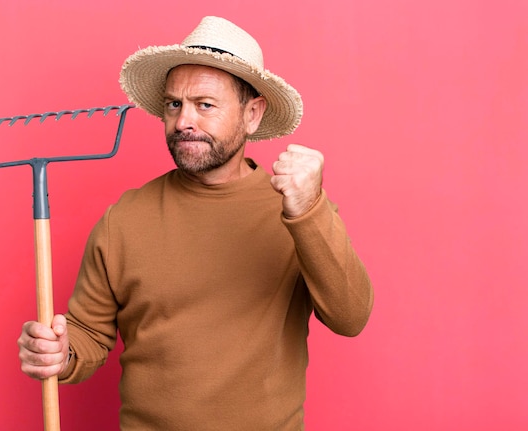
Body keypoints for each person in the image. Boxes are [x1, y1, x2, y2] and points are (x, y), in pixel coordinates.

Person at [18, 16, 373, 430]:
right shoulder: (125, 219)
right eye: (174, 104)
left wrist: (307, 211)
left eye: (205, 105)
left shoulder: (297, 210)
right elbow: (88, 334)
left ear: (252, 114)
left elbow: (351, 317)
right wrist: (61, 353)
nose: (184, 121)